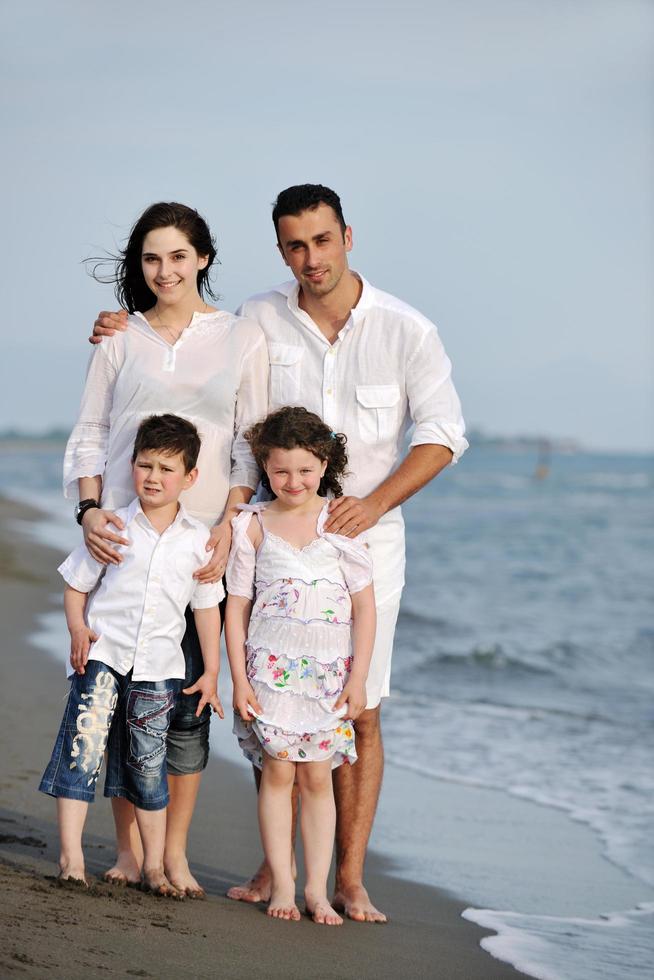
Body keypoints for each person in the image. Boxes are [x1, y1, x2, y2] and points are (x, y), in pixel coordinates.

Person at [91, 183, 467, 921]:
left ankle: (348, 878)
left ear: (347, 236)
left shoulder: (405, 330)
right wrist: (122, 326)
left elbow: (444, 435)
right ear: (280, 249)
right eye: (295, 245)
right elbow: (188, 340)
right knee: (265, 700)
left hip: (362, 545)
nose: (310, 257)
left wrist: (376, 501)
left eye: (322, 240)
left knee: (356, 708)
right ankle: (275, 869)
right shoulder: (258, 317)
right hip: (265, 543)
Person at [71, 202, 268, 896]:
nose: (166, 271)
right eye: (152, 258)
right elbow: (91, 433)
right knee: (124, 701)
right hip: (124, 541)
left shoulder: (242, 337)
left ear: (203, 258)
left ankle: (173, 856)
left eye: (179, 256)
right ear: (139, 265)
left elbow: (250, 441)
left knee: (184, 705)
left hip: (202, 549)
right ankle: (130, 853)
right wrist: (89, 510)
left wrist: (229, 523)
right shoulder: (120, 337)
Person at [39, 415, 224, 896]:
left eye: (167, 468)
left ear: (190, 478)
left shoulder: (196, 540)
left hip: (160, 671)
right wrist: (78, 629)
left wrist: (212, 672)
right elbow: (75, 587)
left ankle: (157, 867)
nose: (154, 477)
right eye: (145, 465)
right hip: (102, 656)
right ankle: (71, 857)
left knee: (147, 765)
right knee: (83, 749)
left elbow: (206, 611)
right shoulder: (114, 524)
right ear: (131, 465)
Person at [225, 407, 376, 925]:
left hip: (328, 677)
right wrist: (240, 679)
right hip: (268, 672)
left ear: (325, 463)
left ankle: (317, 889)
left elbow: (366, 607)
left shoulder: (339, 522)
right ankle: (282, 886)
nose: (293, 481)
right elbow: (236, 606)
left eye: (305, 470)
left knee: (317, 779)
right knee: (277, 775)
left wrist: (358, 679)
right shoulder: (253, 525)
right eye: (280, 471)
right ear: (264, 467)